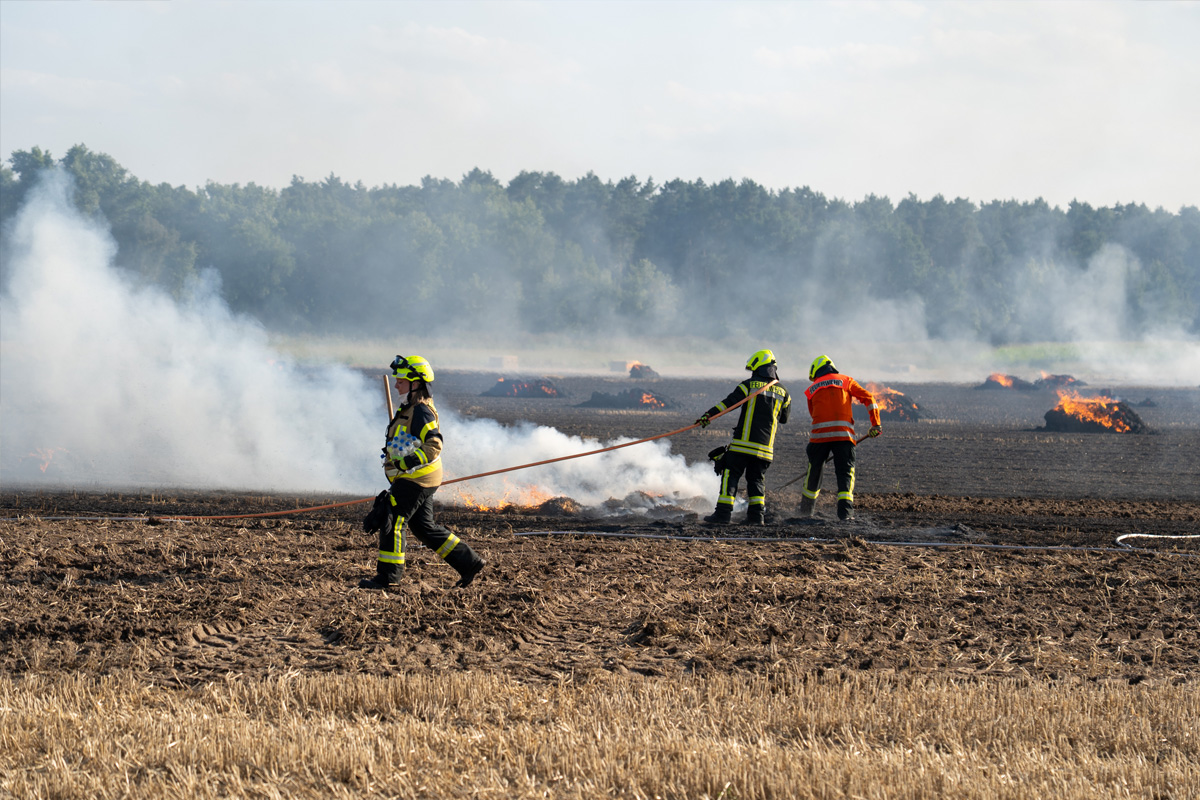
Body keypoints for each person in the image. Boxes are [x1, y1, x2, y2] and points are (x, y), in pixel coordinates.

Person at [359, 355, 485, 590]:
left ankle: (388, 578)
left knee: (394, 520)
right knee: (424, 528)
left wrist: (406, 463)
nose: (396, 384)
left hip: (416, 478)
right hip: (422, 477)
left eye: (401, 381)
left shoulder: (421, 412)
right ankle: (470, 563)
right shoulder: (411, 407)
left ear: (415, 383)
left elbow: (434, 444)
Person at [694, 349, 791, 524]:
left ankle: (722, 515)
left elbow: (728, 404)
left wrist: (708, 416)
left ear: (758, 367)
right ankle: (756, 518)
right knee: (756, 480)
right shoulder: (784, 393)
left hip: (742, 445)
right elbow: (784, 419)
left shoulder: (748, 385)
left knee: (730, 474)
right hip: (765, 450)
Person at [798, 355, 881, 521]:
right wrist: (875, 424)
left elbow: (813, 413)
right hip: (844, 436)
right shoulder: (846, 381)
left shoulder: (811, 389)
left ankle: (806, 512)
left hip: (819, 439)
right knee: (845, 474)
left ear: (815, 372)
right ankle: (846, 514)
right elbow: (869, 398)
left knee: (814, 473)